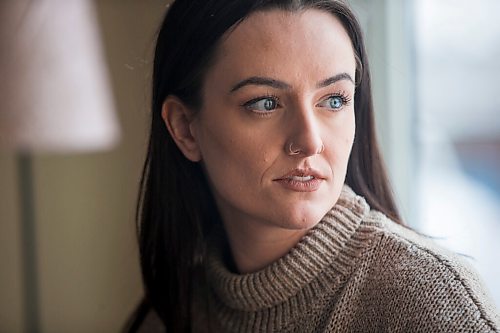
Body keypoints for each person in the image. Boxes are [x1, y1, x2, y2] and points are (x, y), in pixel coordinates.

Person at [127, 0, 500, 332]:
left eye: (335, 100)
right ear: (184, 128)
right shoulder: (174, 308)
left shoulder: (430, 303)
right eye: (265, 104)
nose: (309, 141)